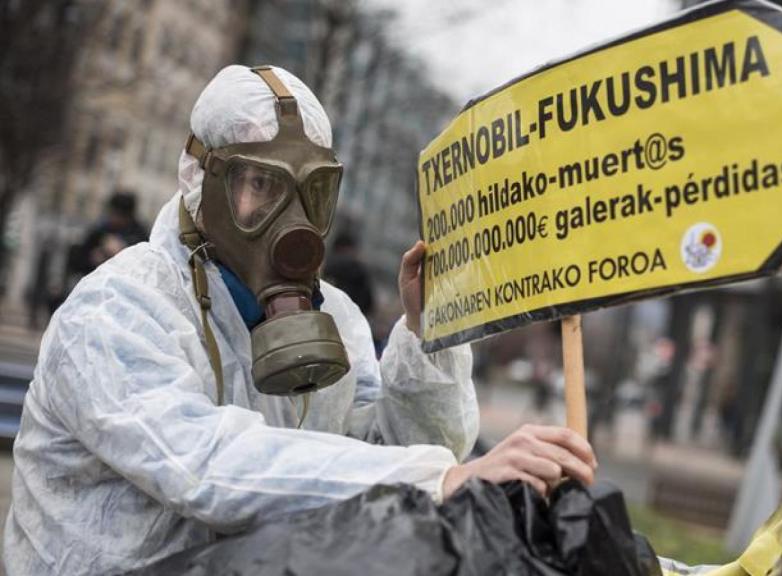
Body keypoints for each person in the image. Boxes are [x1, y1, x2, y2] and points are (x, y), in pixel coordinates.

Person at [4, 65, 596, 575]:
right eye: (260, 183)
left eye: (312, 190)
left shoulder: (333, 314)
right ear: (199, 177)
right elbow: (201, 466)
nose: (290, 216)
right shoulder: (117, 310)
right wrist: (435, 478)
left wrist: (426, 336)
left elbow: (402, 454)